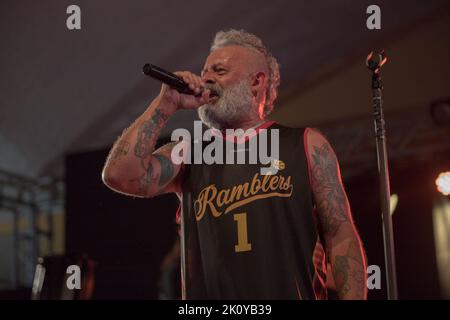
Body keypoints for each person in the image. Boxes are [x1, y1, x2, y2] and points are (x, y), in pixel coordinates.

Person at [102, 29, 367, 299]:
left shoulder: (306, 145)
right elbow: (119, 175)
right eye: (204, 72)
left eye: (219, 71)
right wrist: (164, 105)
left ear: (256, 82)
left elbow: (340, 234)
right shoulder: (187, 153)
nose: (206, 79)